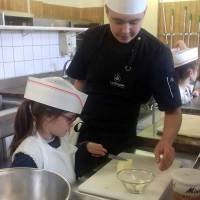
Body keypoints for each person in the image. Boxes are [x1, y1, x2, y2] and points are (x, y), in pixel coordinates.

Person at [66, 0, 182, 171]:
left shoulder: (157, 53)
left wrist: (166, 141)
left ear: (144, 13)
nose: (126, 30)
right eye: (118, 21)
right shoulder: (92, 38)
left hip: (123, 140)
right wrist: (67, 118)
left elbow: (172, 110)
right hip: (82, 135)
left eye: (134, 22)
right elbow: (79, 84)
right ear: (107, 12)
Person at [10, 76, 107, 183]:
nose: (72, 124)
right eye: (69, 118)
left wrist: (84, 149)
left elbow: (67, 165)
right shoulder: (28, 156)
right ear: (48, 116)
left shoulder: (59, 138)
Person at [172, 40, 199, 104]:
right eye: (197, 70)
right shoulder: (179, 96)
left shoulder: (183, 87)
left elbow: (180, 42)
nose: (198, 72)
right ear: (190, 72)